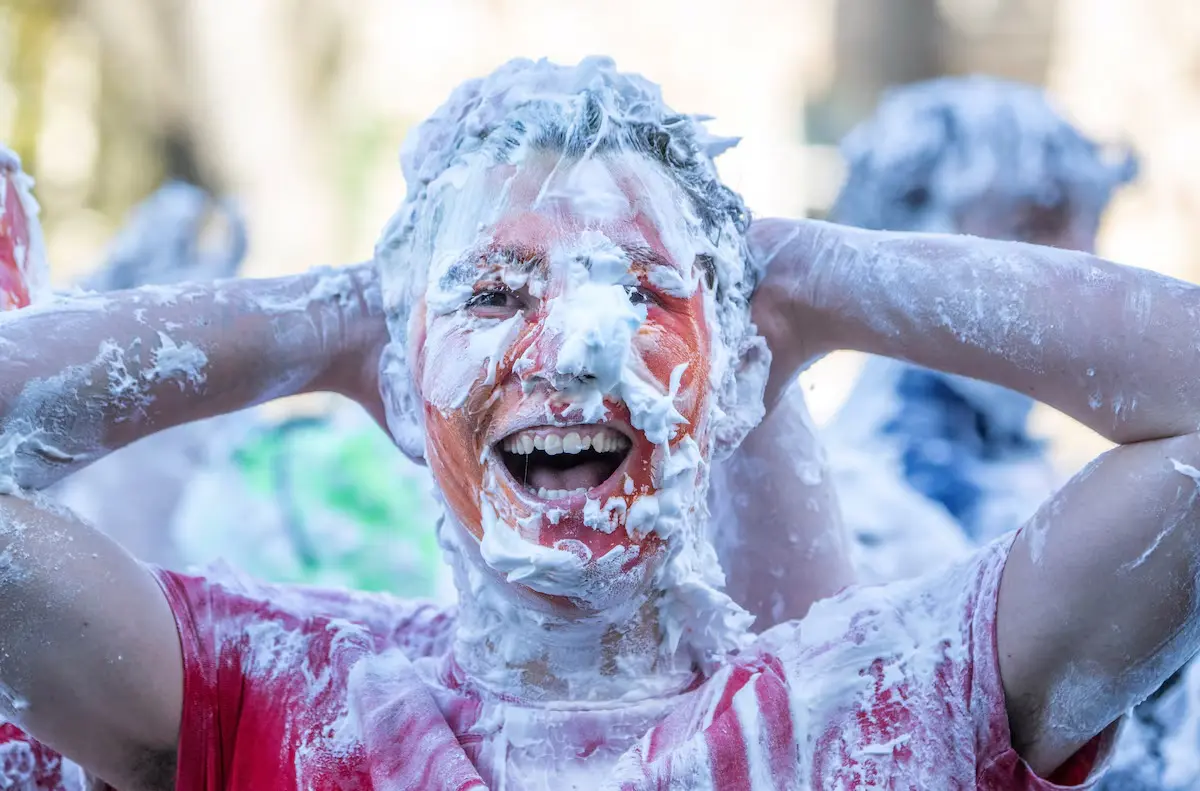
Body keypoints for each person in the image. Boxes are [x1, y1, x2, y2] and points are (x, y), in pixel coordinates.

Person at [0, 56, 1194, 789]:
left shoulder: (883, 703)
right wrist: (335, 317)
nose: (575, 346)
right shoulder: (279, 695)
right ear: (401, 381)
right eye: (495, 294)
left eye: (640, 292)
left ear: (727, 376)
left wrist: (804, 281)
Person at [823, 76, 1139, 584]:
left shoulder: (1040, 475)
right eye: (1035, 225)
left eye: (1091, 224)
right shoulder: (857, 511)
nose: (1086, 260)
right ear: (912, 240)